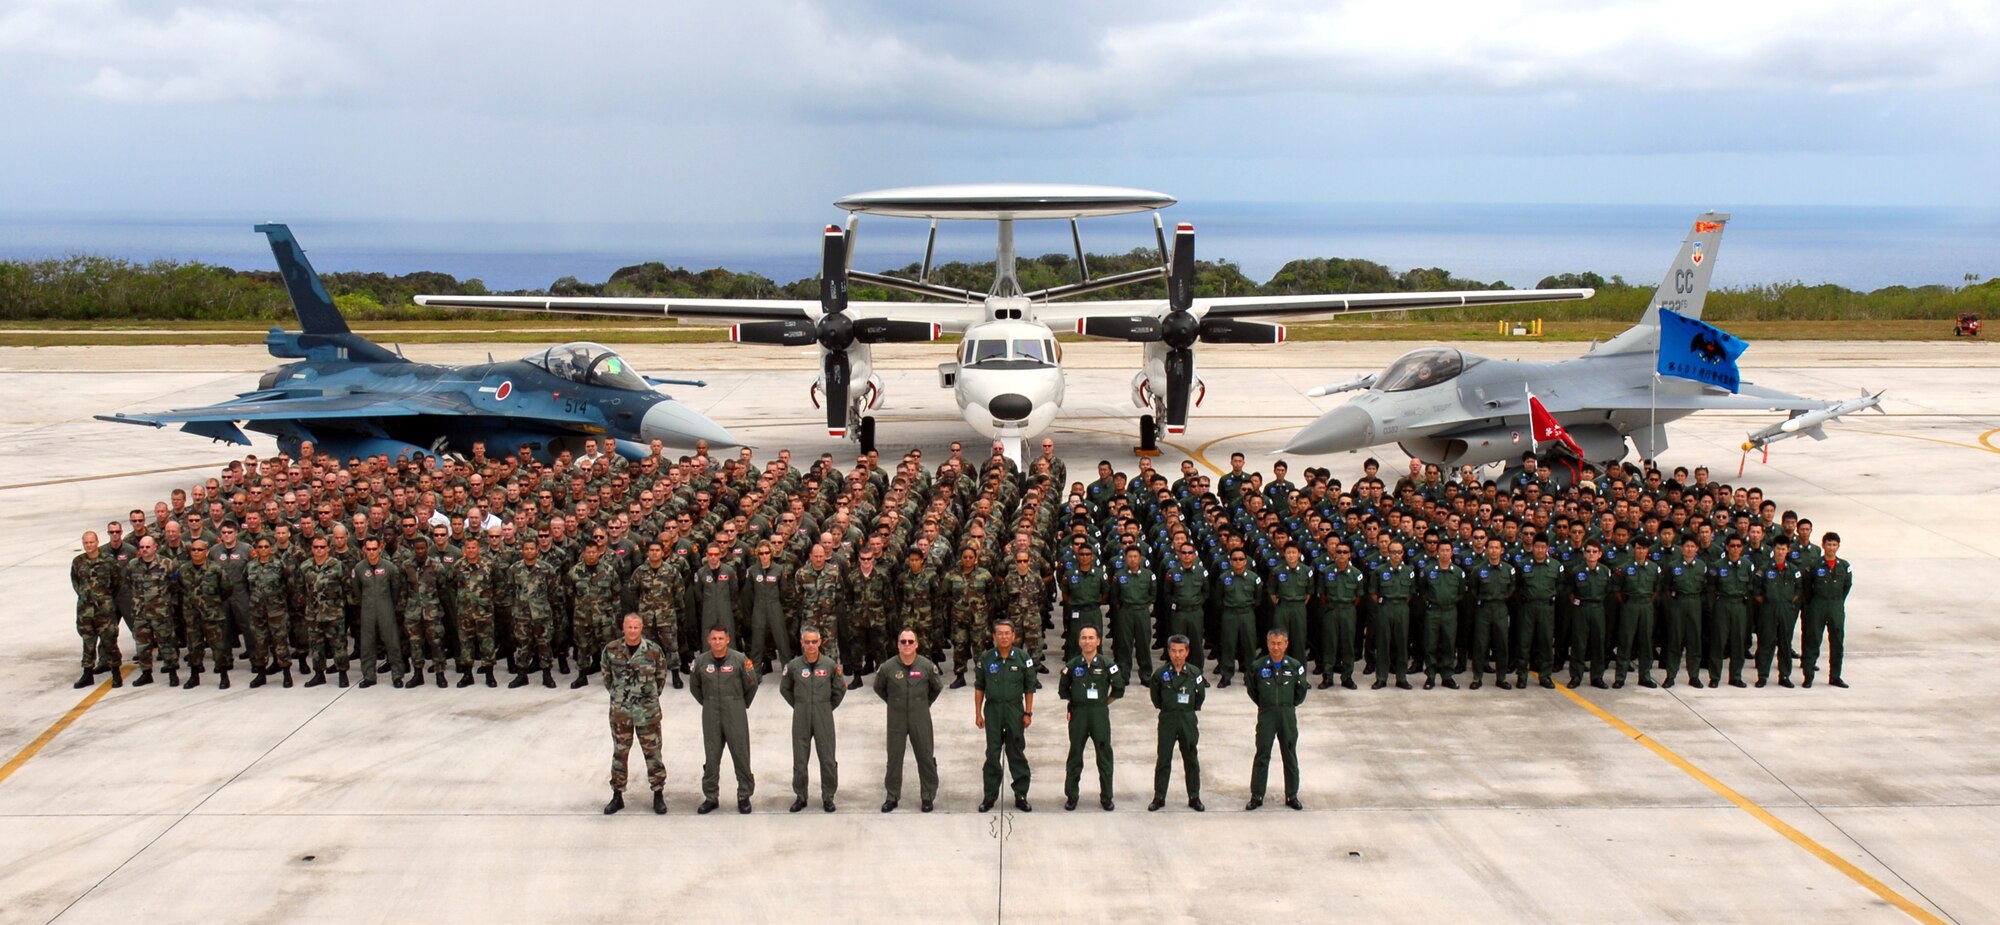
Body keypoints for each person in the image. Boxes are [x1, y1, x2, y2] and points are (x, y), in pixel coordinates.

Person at [602, 614, 670, 816]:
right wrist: (619, 697)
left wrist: (647, 698)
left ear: (642, 628)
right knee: (620, 754)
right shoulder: (612, 650)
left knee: (653, 754)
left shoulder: (653, 650)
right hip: (621, 713)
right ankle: (617, 795)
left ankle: (658, 793)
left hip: (647, 713)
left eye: (636, 627)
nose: (632, 631)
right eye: (629, 627)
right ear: (623, 627)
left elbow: (660, 678)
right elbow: (607, 678)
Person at [873, 627, 944, 812]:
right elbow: (879, 687)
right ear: (898, 645)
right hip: (896, 718)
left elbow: (937, 687)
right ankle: (892, 796)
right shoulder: (888, 667)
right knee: (894, 758)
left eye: (910, 641)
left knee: (925, 756)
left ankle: (928, 796)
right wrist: (894, 703)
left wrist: (923, 704)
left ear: (916, 644)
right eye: (903, 641)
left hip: (920, 717)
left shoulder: (927, 666)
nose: (906, 645)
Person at [690, 626, 759, 814]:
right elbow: (695, 686)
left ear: (728, 640)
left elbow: (751, 684)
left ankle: (744, 796)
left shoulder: (739, 660)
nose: (717, 642)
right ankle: (711, 796)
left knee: (741, 754)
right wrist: (707, 702)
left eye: (721, 638)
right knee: (712, 756)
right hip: (711, 711)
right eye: (714, 638)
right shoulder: (701, 662)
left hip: (735, 710)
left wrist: (739, 704)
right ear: (708, 640)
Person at [974, 618, 1038, 813]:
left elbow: (1029, 687)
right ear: (994, 637)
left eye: (1007, 633)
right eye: (999, 633)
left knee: (1016, 753)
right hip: (993, 711)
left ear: (1013, 636)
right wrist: (978, 713)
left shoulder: (1022, 658)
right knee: (992, 754)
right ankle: (990, 796)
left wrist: (1028, 712)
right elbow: (979, 687)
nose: (1003, 636)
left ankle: (1021, 795)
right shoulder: (986, 658)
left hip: (1014, 711)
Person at [779, 626, 845, 813]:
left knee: (827, 758)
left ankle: (828, 797)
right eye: (807, 642)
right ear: (801, 643)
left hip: (823, 713)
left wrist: (826, 707)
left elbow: (840, 689)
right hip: (801, 714)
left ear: (820, 643)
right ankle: (801, 796)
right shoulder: (793, 666)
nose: (810, 645)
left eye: (814, 642)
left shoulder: (830, 665)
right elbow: (785, 689)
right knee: (800, 759)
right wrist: (799, 705)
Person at [1059, 625, 1125, 811]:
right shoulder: (1072, 665)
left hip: (1099, 715)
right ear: (1079, 641)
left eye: (1091, 638)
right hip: (1079, 715)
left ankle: (1106, 797)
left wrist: (1104, 703)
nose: (1087, 641)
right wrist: (1076, 701)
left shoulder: (1107, 665)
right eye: (1083, 638)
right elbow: (1063, 689)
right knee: (1075, 755)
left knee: (1104, 756)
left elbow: (1118, 689)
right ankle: (1071, 796)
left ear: (1098, 641)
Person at [1245, 628, 1308, 811]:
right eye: (1272, 643)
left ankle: (1292, 795)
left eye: (1279, 643)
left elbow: (1301, 691)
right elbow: (1252, 690)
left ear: (1286, 644)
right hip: (1267, 715)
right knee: (1262, 754)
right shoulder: (1258, 666)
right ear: (1267, 644)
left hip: (1287, 715)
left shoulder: (1295, 666)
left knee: (1289, 754)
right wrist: (1267, 704)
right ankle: (1257, 795)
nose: (1276, 647)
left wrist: (1288, 705)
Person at [1149, 634, 1206, 812]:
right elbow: (1155, 697)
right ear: (1168, 652)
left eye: (1181, 651)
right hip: (1168, 719)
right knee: (1164, 759)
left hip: (1187, 719)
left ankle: (1194, 796)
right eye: (1173, 651)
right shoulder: (1160, 674)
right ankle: (1159, 797)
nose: (1177, 655)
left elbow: (1200, 697)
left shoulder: (1195, 673)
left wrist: (1188, 710)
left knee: (1191, 759)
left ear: (1187, 652)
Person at [178, 539, 233, 689]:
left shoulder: (215, 569)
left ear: (206, 551)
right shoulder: (184, 569)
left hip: (212, 615)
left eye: (200, 550)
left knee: (218, 647)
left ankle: (223, 675)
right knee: (194, 647)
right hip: (192, 616)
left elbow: (227, 589)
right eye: (193, 550)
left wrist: (213, 602)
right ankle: (194, 676)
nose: (196, 552)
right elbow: (180, 587)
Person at [352, 538, 407, 689]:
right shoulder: (359, 568)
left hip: (386, 607)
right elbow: (356, 590)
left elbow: (396, 589)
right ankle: (369, 676)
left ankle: (397, 675)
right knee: (367, 644)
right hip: (367, 609)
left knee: (392, 642)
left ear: (379, 549)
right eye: (368, 549)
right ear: (364, 550)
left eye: (374, 549)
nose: (371, 552)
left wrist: (389, 604)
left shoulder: (389, 567)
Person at [71, 531, 123, 689]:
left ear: (97, 542)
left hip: (104, 610)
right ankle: (87, 673)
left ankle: (116, 673)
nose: (88, 545)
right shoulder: (78, 561)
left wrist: (104, 598)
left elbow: (116, 583)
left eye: (91, 542)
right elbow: (76, 582)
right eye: (85, 543)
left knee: (110, 642)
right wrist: (85, 597)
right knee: (88, 642)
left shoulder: (108, 561)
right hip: (85, 611)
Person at [1801, 532, 1852, 688]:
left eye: (1834, 545)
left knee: (1837, 641)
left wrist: (1837, 602)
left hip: (1836, 605)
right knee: (1813, 640)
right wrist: (1814, 603)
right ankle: (1808, 676)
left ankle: (1835, 676)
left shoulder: (1844, 565)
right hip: (1818, 605)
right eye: (1828, 544)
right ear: (1823, 546)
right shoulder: (1815, 565)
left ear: (1838, 546)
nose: (1831, 548)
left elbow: (1847, 586)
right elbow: (1807, 587)